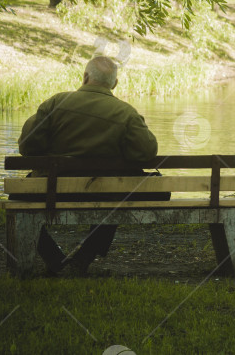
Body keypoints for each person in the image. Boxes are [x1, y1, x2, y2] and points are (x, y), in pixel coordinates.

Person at [14, 55, 167, 273]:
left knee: (16, 197)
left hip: (51, 191)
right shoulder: (126, 113)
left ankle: (53, 257)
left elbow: (28, 147)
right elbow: (147, 152)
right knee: (116, 195)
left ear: (85, 77)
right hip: (106, 193)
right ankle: (83, 258)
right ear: (114, 84)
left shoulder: (56, 103)